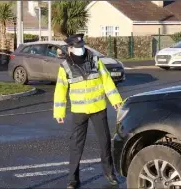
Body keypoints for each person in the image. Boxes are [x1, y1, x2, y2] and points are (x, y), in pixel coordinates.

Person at [53, 34, 123, 189]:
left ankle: (110, 174)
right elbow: (60, 89)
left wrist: (116, 101)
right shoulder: (65, 66)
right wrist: (59, 112)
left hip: (98, 108)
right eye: (77, 47)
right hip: (79, 111)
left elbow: (107, 82)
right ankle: (72, 179)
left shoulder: (95, 61)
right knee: (76, 146)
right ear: (69, 49)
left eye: (82, 47)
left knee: (105, 142)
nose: (80, 50)